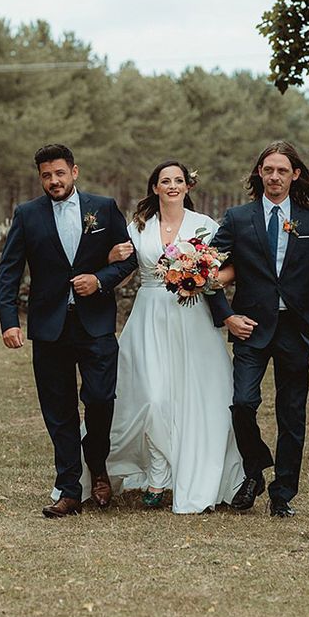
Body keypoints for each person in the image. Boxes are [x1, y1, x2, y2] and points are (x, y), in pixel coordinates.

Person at [0, 143, 137, 518]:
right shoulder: (27, 214)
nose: (54, 181)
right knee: (58, 411)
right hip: (48, 327)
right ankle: (70, 489)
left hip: (96, 325)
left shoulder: (104, 208)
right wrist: (9, 321)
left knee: (100, 400)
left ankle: (99, 466)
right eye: (46, 175)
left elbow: (128, 258)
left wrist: (100, 279)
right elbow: (9, 270)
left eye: (60, 173)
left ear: (74, 171)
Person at [207, 141, 309, 518]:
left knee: (292, 413)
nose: (274, 177)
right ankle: (254, 471)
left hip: (295, 329)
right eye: (268, 170)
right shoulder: (237, 218)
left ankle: (282, 493)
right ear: (259, 173)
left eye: (282, 170)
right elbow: (206, 273)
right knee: (242, 403)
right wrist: (227, 317)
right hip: (250, 328)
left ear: (294, 174)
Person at [102, 161, 243, 513]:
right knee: (152, 397)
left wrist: (205, 278)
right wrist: (107, 257)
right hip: (149, 315)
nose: (172, 185)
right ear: (155, 188)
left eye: (178, 180)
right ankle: (156, 473)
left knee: (194, 396)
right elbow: (120, 267)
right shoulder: (138, 227)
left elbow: (228, 266)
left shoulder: (205, 227)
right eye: (165, 181)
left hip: (192, 315)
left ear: (188, 187)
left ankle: (181, 473)